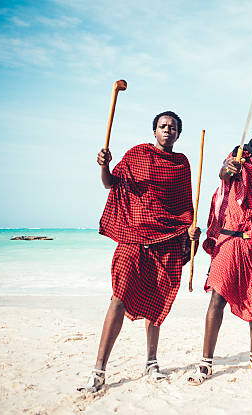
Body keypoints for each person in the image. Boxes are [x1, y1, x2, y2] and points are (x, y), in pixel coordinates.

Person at [78, 111, 200, 393]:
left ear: (179, 134)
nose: (167, 130)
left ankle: (151, 362)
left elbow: (183, 207)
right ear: (154, 131)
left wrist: (190, 230)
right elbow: (111, 184)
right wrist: (104, 166)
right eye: (162, 126)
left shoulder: (182, 164)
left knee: (157, 303)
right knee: (118, 299)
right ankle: (99, 371)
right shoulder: (137, 155)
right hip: (133, 238)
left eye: (173, 128)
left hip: (166, 241)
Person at [187, 118, 252, 385]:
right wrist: (230, 167)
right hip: (230, 237)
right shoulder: (240, 157)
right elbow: (224, 174)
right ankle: (206, 362)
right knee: (217, 297)